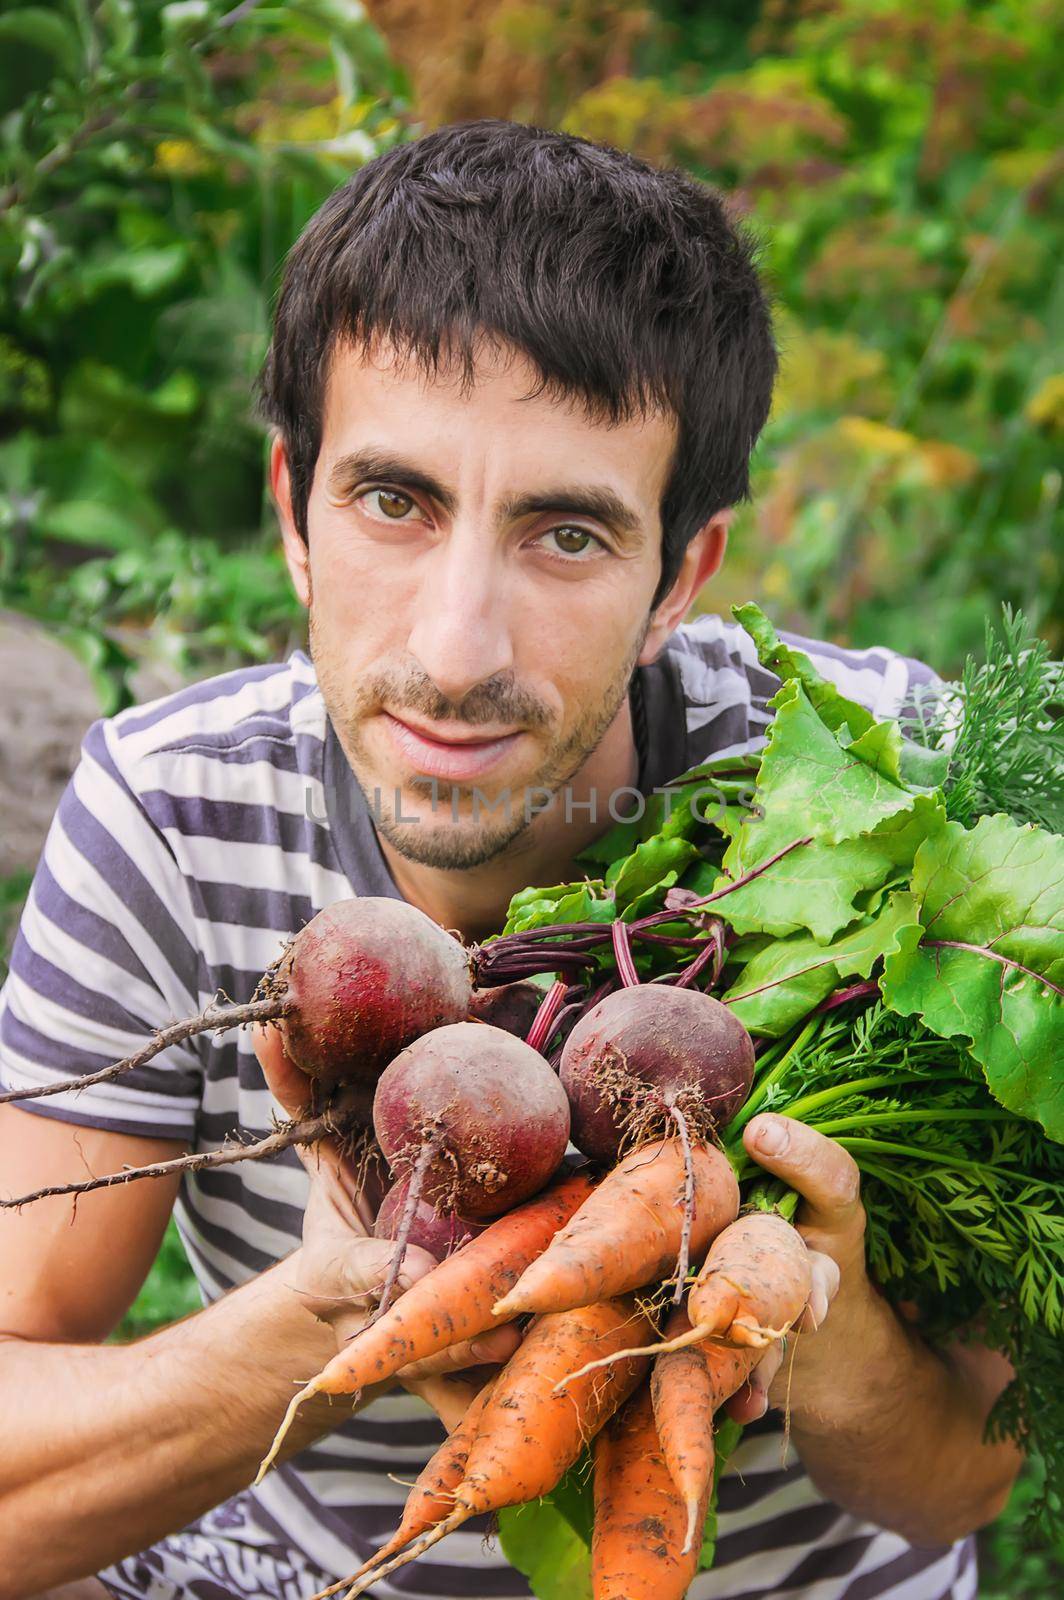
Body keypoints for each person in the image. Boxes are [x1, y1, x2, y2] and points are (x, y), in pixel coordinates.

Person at [0, 121, 1019, 1600]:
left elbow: (965, 1480)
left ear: (683, 574)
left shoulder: (898, 791)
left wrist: (823, 1320)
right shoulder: (174, 814)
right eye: (395, 503)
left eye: (564, 535)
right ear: (293, 515)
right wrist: (335, 1328)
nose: (451, 648)